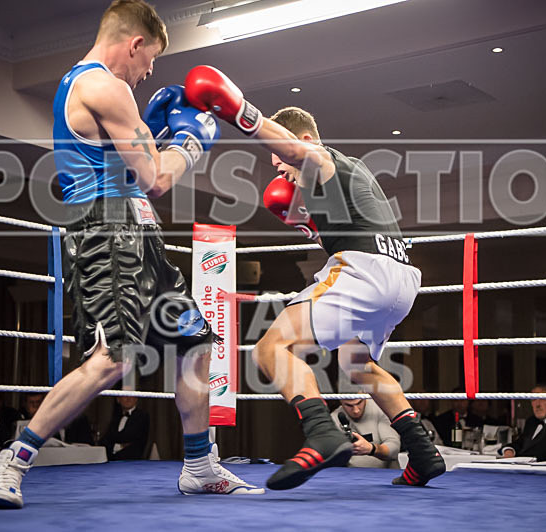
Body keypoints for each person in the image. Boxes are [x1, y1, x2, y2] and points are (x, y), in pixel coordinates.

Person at [0, 1, 261, 508]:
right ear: (135, 43)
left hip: (138, 232)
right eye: (149, 60)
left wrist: (161, 137)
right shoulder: (105, 86)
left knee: (193, 342)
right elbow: (158, 178)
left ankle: (199, 466)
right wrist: (194, 139)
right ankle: (8, 462)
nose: (149, 72)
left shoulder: (98, 91)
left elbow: (140, 173)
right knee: (115, 357)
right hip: (106, 232)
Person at [182, 66, 446, 490]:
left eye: (283, 162)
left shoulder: (318, 155)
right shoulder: (351, 171)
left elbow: (299, 153)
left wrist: (236, 111)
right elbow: (350, 224)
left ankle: (321, 432)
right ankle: (422, 452)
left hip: (365, 271)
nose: (282, 172)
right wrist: (306, 226)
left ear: (301, 141)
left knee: (270, 349)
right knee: (356, 364)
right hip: (402, 279)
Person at [499, 384, 546, 460]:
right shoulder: (531, 421)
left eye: (542, 399)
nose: (537, 404)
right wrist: (509, 450)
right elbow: (521, 443)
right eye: (533, 399)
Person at [330, 398, 401, 468]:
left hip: (387, 475)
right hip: (351, 475)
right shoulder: (334, 418)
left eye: (359, 403)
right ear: (341, 401)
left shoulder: (381, 410)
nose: (356, 410)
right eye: (349, 405)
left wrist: (372, 449)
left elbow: (394, 449)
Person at [102, 396, 150, 460]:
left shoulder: (141, 415)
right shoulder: (116, 417)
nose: (128, 398)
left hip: (131, 461)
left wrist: (113, 440)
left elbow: (129, 436)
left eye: (131, 396)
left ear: (136, 399)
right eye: (125, 396)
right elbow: (106, 438)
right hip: (112, 460)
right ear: (118, 399)